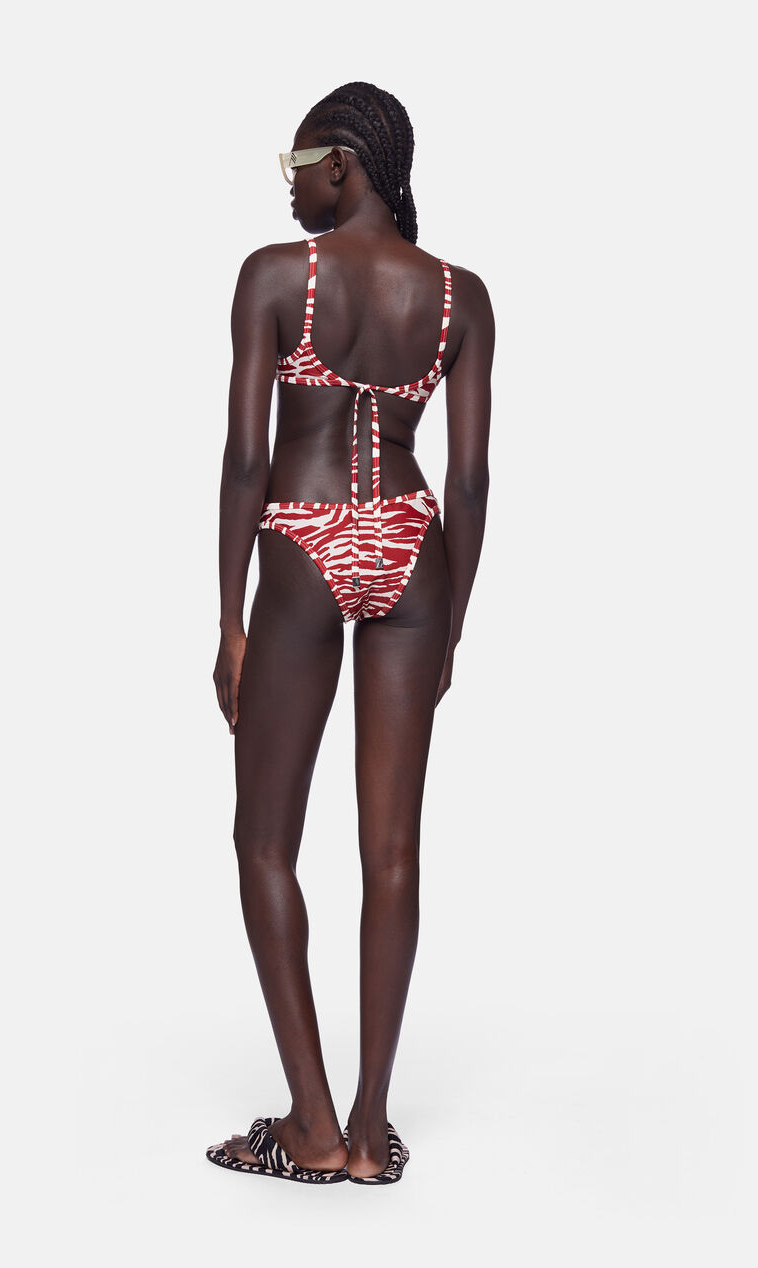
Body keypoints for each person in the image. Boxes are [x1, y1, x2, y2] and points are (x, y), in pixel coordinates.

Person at [207, 81, 494, 1184]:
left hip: (302, 534)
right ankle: (372, 1133)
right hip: (415, 547)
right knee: (393, 851)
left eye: (299, 164)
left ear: (345, 163)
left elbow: (246, 457)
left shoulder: (277, 277)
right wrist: (451, 623)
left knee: (263, 841)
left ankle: (314, 1125)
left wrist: (228, 617)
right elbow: (469, 477)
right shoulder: (460, 297)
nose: (289, 185)